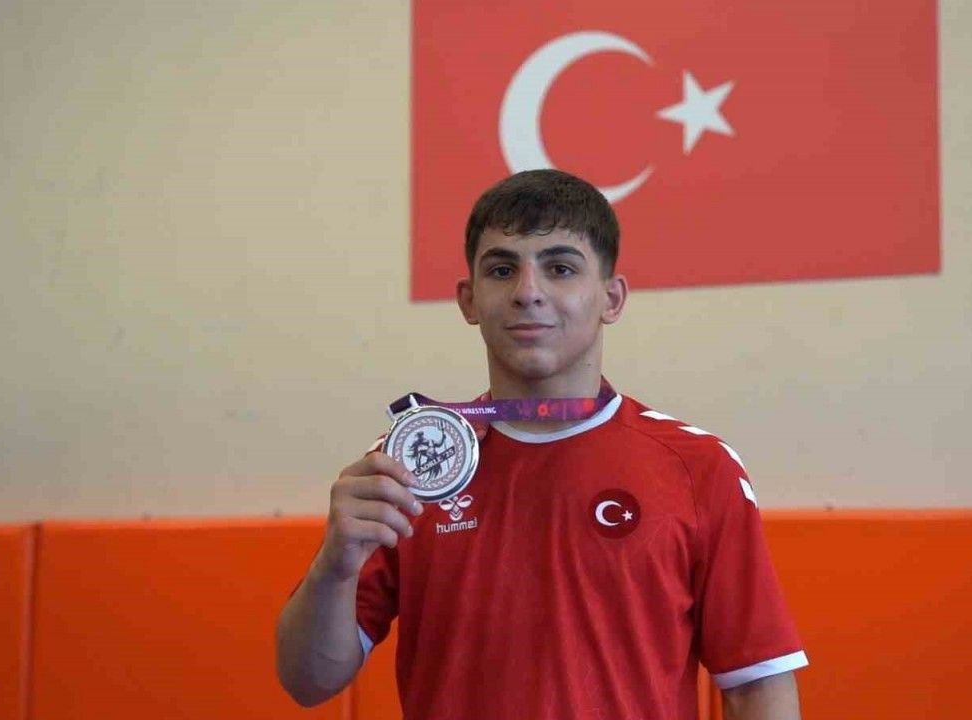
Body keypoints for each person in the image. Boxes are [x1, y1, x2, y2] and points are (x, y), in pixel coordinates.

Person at [276, 169, 807, 719]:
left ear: (611, 298)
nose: (528, 292)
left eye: (560, 268)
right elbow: (307, 682)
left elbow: (757, 689)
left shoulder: (698, 468)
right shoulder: (407, 467)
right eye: (502, 270)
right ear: (469, 300)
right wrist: (335, 565)